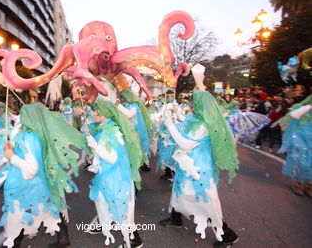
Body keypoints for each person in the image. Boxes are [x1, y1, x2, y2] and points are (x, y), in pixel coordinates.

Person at [159, 65, 239, 248]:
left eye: (193, 103)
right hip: (187, 167)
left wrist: (170, 124)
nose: (190, 105)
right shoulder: (195, 119)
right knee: (179, 192)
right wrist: (172, 118)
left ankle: (227, 235)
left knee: (208, 203)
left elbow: (186, 143)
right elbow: (183, 129)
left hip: (199, 172)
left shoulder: (204, 124)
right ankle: (176, 218)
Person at [0, 102, 89, 248]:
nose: (21, 117)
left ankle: (14, 244)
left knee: (17, 218)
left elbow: (31, 169)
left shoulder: (27, 137)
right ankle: (63, 240)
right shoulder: (41, 133)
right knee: (51, 206)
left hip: (27, 186)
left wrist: (11, 156)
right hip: (43, 181)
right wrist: (13, 151)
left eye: (23, 114)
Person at [85, 100, 143, 248]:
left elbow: (113, 158)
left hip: (116, 178)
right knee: (106, 203)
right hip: (107, 176)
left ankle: (134, 239)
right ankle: (104, 224)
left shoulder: (113, 131)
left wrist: (95, 146)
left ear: (106, 112)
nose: (94, 113)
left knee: (122, 208)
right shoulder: (102, 128)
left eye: (97, 110)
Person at [274, 95, 312, 197]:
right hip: (301, 141)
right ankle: (298, 183)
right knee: (302, 162)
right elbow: (294, 114)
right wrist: (309, 106)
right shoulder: (301, 107)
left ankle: (309, 185)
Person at [117, 90, 153, 171]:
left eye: (122, 97)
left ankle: (144, 163)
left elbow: (129, 115)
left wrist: (118, 105)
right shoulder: (124, 105)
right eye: (120, 97)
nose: (120, 98)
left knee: (139, 147)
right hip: (128, 130)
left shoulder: (134, 106)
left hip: (137, 131)